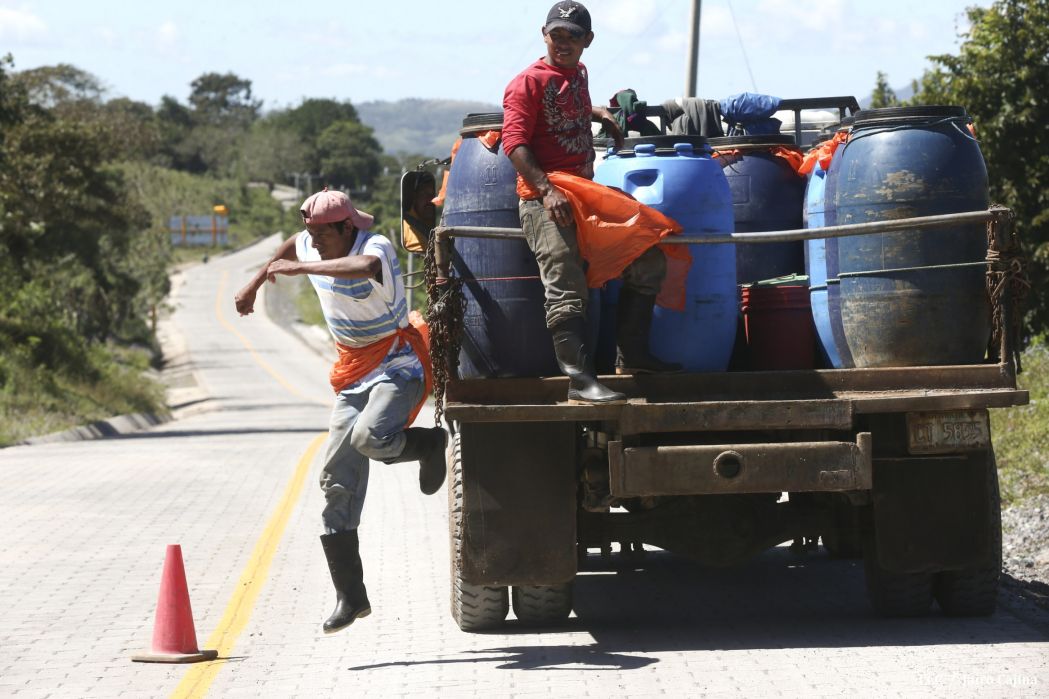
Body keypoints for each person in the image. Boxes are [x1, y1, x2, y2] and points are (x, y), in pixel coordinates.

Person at [234, 188, 446, 634]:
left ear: (347, 227)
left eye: (322, 235)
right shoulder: (310, 241)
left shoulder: (375, 247)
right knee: (334, 481)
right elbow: (290, 247)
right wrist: (255, 283)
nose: (313, 242)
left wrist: (300, 268)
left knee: (369, 438)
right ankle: (351, 596)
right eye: (311, 234)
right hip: (353, 372)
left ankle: (429, 442)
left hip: (396, 364)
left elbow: (361, 268)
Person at [502, 1, 680, 405]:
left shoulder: (578, 73)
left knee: (648, 257)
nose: (563, 43)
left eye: (573, 36)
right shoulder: (525, 83)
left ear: (588, 41)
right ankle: (580, 381)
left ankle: (633, 354)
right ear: (544, 34)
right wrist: (547, 191)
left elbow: (566, 105)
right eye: (556, 35)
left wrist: (596, 112)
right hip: (545, 199)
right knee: (565, 285)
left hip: (584, 193)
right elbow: (514, 143)